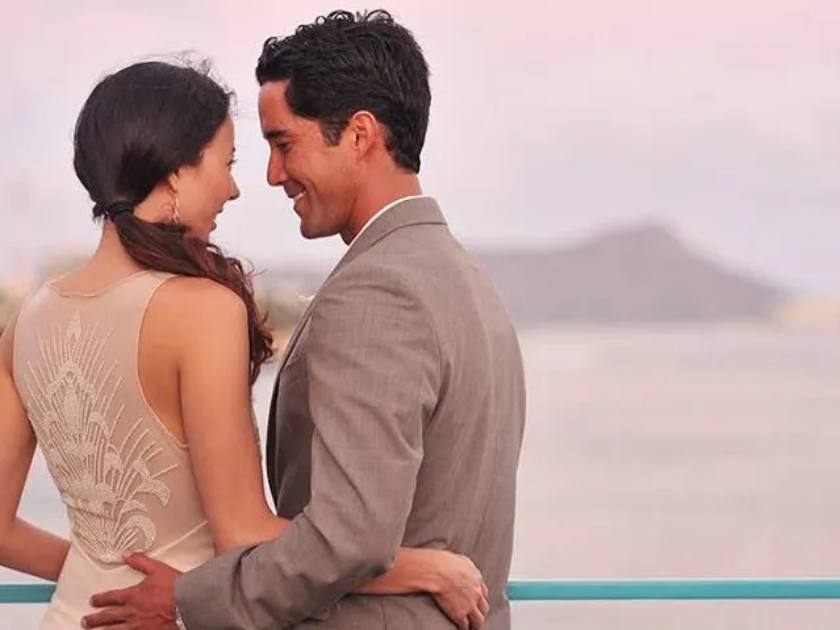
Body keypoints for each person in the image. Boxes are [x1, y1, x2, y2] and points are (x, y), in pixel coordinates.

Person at [0, 59, 489, 630]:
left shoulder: (27, 321)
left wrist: (100, 575)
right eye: (227, 163)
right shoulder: (202, 311)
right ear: (176, 172)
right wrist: (428, 569)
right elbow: (246, 533)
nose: (234, 188)